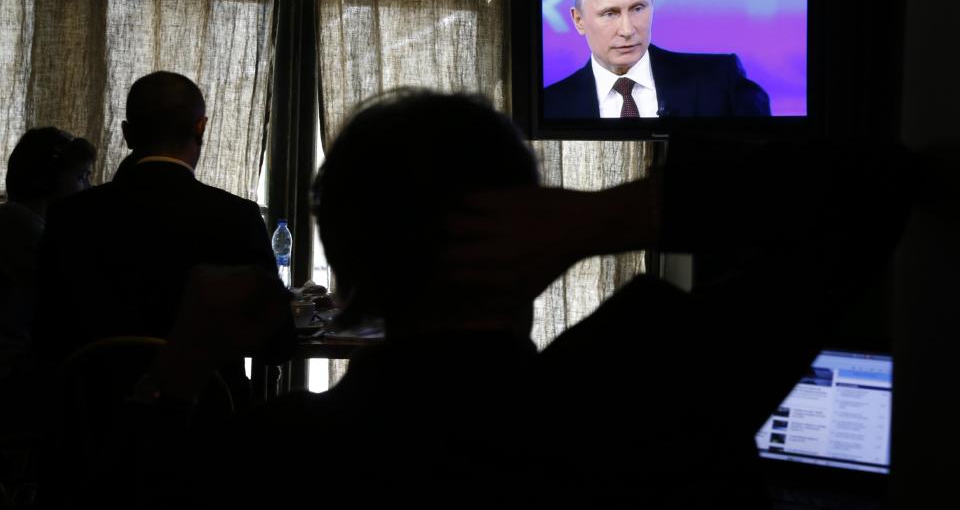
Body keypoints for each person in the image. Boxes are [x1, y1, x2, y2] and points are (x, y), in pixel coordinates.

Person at [126, 92, 913, 509]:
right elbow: (872, 183)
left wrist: (176, 379)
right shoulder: (653, 383)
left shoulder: (266, 454)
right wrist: (612, 214)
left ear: (345, 257)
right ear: (538, 228)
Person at [31, 71, 290, 405]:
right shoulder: (235, 216)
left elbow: (45, 340)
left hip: (94, 425)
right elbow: (277, 345)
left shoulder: (70, 216)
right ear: (201, 127)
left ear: (126, 134)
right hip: (207, 425)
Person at [544, 0, 771, 119]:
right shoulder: (551, 104)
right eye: (610, 13)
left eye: (638, 8)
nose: (627, 29)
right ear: (578, 20)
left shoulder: (720, 80)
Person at [0, 127, 95, 378]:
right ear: (47, 179)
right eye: (81, 177)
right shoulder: (24, 229)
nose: (88, 187)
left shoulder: (18, 218)